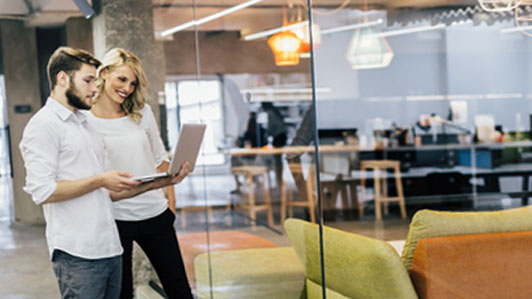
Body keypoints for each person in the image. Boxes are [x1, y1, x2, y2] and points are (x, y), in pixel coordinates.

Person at [86, 48, 193, 299]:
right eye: (122, 79)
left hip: (154, 213)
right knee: (122, 293)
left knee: (179, 289)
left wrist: (171, 204)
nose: (128, 88)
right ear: (104, 73)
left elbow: (160, 160)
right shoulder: (85, 120)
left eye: (133, 83)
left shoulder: (141, 113)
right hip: (115, 219)